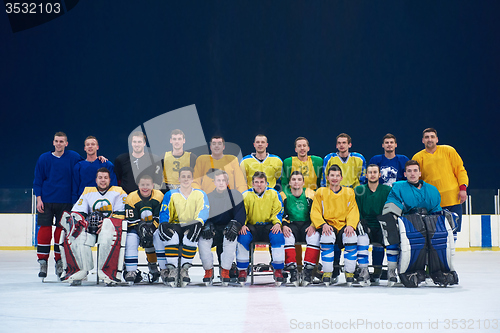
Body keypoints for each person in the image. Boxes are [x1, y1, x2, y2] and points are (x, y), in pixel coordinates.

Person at [381, 160, 457, 287]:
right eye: (409, 171)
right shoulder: (398, 187)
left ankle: (438, 270)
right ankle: (406, 271)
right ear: (405, 174)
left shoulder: (431, 190)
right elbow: (392, 206)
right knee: (414, 240)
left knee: (439, 238)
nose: (412, 174)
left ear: (420, 173)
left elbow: (436, 211)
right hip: (408, 224)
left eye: (415, 170)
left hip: (429, 224)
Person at [60, 167, 127, 286]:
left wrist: (107, 222)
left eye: (105, 178)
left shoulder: (118, 191)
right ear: (96, 180)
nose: (103, 180)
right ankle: (80, 270)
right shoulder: (88, 192)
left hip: (109, 229)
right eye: (100, 178)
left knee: (107, 231)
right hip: (90, 229)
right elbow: (77, 213)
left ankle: (107, 272)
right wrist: (80, 223)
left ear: (110, 179)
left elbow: (121, 214)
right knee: (76, 232)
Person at [33, 132, 83, 280]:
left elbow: (86, 164)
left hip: (65, 201)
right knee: (45, 230)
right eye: (56, 141)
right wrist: (39, 199)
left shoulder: (73, 157)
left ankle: (59, 262)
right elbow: (38, 179)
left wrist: (101, 160)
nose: (59, 143)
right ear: (53, 143)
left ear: (66, 143)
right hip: (47, 200)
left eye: (62, 141)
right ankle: (42, 262)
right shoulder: (44, 158)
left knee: (61, 231)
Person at [154, 167, 209, 287]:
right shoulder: (170, 194)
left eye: (188, 176)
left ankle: (184, 270)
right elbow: (164, 211)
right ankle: (172, 270)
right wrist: (163, 223)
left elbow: (203, 210)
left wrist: (198, 222)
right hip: (175, 225)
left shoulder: (200, 194)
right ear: (178, 179)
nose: (185, 179)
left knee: (191, 236)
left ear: (192, 178)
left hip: (191, 224)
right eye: (183, 177)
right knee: (168, 236)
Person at [306, 165, 360, 287]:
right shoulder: (321, 192)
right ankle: (327, 272)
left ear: (341, 177)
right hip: (328, 225)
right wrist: (322, 224)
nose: (334, 178)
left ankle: (349, 273)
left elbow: (353, 211)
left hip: (343, 226)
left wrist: (351, 225)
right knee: (327, 237)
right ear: (327, 178)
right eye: (332, 176)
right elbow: (315, 211)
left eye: (337, 176)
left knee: (351, 238)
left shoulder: (349, 192)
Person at [412, 128, 469, 237]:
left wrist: (463, 189)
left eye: (432, 137)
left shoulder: (449, 151)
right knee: (435, 233)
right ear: (422, 140)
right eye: (427, 137)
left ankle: (450, 254)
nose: (430, 139)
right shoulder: (418, 157)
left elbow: (460, 170)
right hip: (432, 202)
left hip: (452, 199)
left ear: (437, 139)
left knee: (453, 233)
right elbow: (417, 180)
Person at [236, 171, 285, 286]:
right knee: (242, 237)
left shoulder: (274, 194)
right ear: (252, 184)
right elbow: (242, 213)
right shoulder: (245, 195)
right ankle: (242, 270)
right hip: (251, 227)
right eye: (256, 182)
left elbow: (278, 211)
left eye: (262, 182)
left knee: (278, 236)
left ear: (266, 183)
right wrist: (242, 224)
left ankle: (278, 270)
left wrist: (277, 223)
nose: (259, 185)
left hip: (268, 226)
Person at [198, 170, 246, 286]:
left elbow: (240, 213)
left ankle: (225, 270)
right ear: (214, 182)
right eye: (218, 180)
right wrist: (206, 224)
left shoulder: (235, 195)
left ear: (227, 182)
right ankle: (208, 270)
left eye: (223, 180)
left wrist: (236, 224)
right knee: (203, 241)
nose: (221, 183)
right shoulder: (207, 197)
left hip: (228, 229)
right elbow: (203, 213)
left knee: (230, 238)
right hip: (213, 230)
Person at [354, 164, 392, 285]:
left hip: (381, 224)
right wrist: (360, 220)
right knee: (360, 238)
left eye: (375, 172)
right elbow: (356, 209)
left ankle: (379, 272)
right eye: (370, 172)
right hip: (366, 224)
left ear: (380, 175)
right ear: (366, 175)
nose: (372, 174)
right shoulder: (359, 190)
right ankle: (363, 270)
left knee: (390, 240)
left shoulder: (386, 190)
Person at [123, 174, 164, 284]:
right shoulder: (131, 197)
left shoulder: (159, 196)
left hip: (154, 226)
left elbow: (160, 217)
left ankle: (162, 269)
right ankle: (131, 271)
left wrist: (150, 228)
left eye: (148, 185)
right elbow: (131, 220)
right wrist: (142, 228)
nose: (145, 187)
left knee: (158, 238)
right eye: (142, 185)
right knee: (131, 239)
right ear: (138, 185)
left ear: (153, 185)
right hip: (136, 227)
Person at [280, 171, 315, 286]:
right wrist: (284, 225)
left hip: (307, 224)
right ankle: (293, 270)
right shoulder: (283, 195)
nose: (296, 182)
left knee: (314, 237)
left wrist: (313, 225)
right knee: (287, 237)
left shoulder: (311, 194)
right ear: (289, 182)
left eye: (299, 179)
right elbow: (280, 212)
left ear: (303, 182)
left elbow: (316, 212)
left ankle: (308, 271)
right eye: (294, 179)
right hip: (292, 224)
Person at [72, 136, 117, 203]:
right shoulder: (78, 166)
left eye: (93, 144)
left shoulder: (107, 164)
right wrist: (74, 204)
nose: (90, 146)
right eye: (88, 145)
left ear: (97, 147)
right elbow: (75, 188)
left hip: (104, 202)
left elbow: (113, 186)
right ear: (84, 148)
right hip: (84, 203)